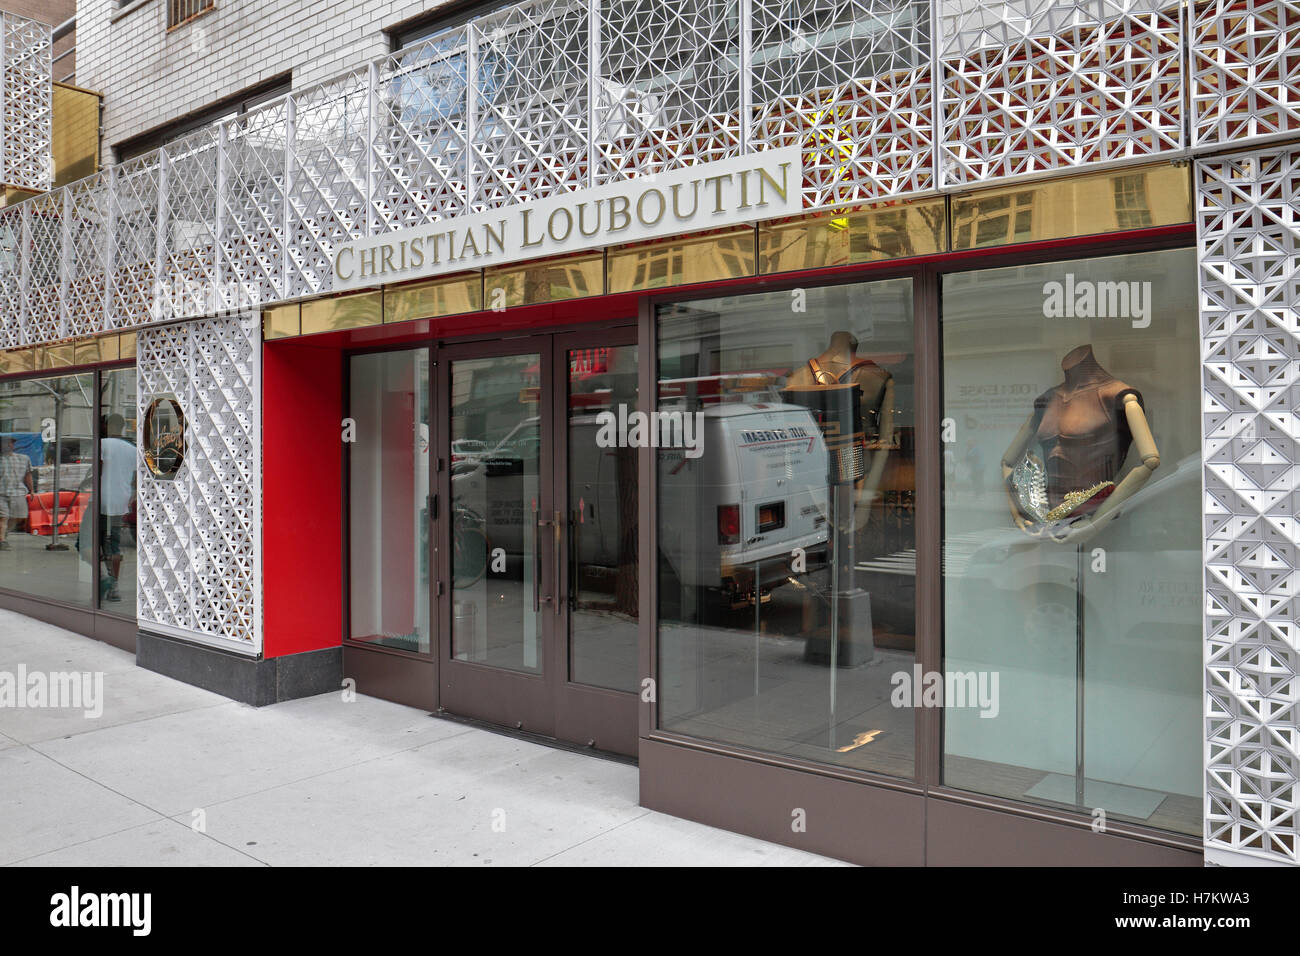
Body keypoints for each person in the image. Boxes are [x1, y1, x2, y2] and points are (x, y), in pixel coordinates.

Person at [98, 414, 135, 602]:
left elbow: (97, 471)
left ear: (106, 426)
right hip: (121, 502)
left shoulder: (102, 445)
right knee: (114, 543)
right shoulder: (132, 449)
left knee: (91, 542)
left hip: (101, 500)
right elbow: (136, 480)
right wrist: (131, 498)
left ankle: (105, 579)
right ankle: (114, 585)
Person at [0, 437, 33, 550]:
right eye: (6, 443)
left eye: (11, 443)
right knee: (3, 517)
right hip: (1, 493)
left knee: (19, 516)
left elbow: (28, 475)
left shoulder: (23, 459)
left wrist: (31, 490)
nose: (9, 445)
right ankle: (2, 540)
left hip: (18, 492)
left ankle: (3, 533)